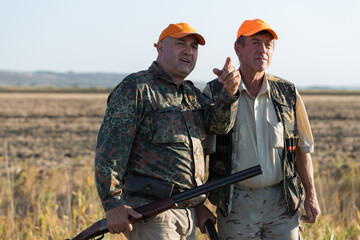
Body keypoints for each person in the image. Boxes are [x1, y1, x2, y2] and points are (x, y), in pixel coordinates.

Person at [94, 22, 241, 240]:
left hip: (188, 213)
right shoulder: (136, 88)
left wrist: (229, 93)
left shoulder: (191, 94)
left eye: (193, 46)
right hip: (152, 213)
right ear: (160, 48)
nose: (188, 51)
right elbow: (109, 152)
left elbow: (218, 126)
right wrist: (112, 204)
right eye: (180, 43)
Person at [196, 19, 321, 239]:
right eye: (255, 42)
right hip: (236, 202)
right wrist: (197, 204)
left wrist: (311, 195)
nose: (262, 49)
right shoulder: (215, 92)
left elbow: (302, 149)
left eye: (268, 44)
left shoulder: (288, 92)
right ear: (238, 48)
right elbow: (198, 154)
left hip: (282, 201)